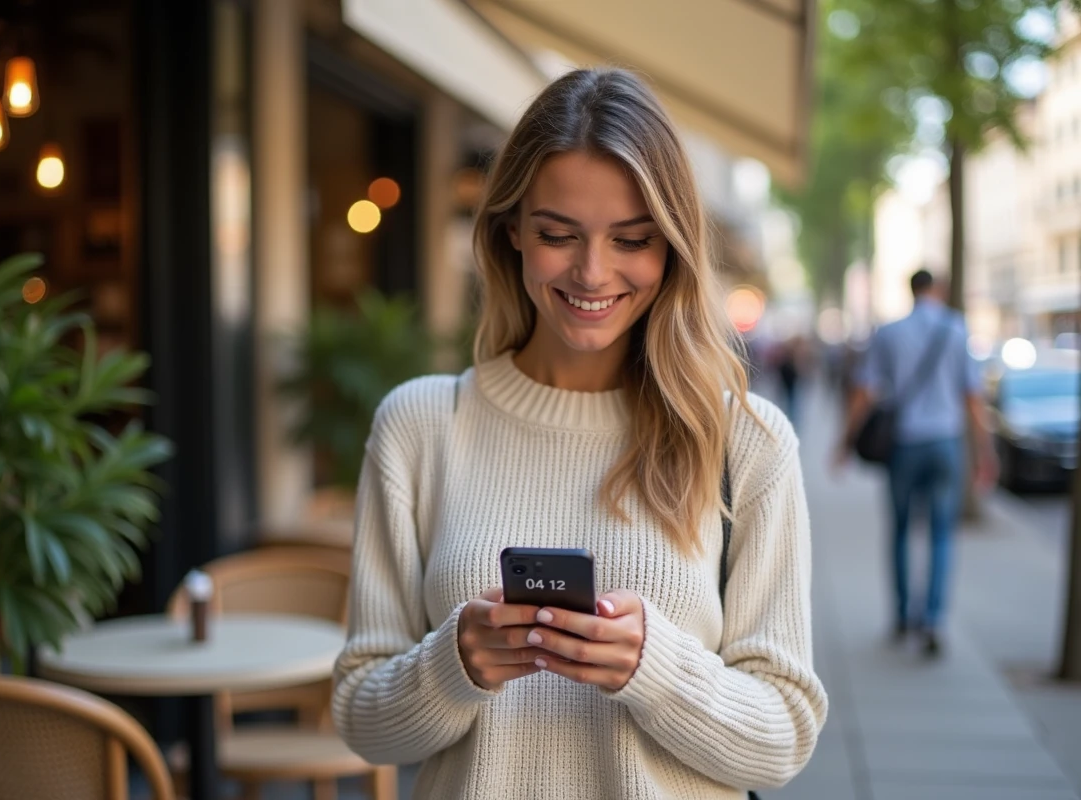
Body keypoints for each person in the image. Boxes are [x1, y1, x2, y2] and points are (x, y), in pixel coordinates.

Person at [332, 68, 828, 799]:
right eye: (558, 235)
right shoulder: (420, 426)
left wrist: (652, 668)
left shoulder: (744, 440)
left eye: (631, 240)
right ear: (512, 236)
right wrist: (454, 664)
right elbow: (362, 722)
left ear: (672, 248)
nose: (593, 273)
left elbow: (783, 738)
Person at [837, 269, 997, 657]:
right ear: (938, 290)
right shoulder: (956, 329)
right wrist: (985, 450)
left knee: (901, 530)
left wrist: (843, 442)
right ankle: (933, 619)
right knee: (942, 532)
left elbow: (866, 392)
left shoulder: (889, 333)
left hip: (904, 445)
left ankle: (901, 615)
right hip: (945, 443)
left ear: (911, 291)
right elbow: (972, 397)